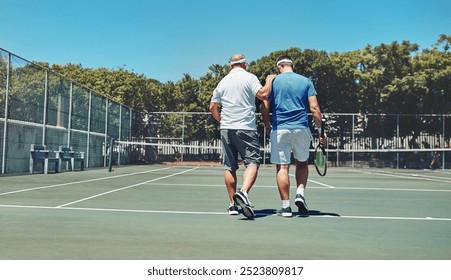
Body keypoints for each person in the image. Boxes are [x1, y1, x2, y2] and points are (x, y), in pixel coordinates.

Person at [209, 53, 275, 219]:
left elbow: (212, 107)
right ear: (244, 64)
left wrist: (221, 121)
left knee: (230, 167)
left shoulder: (222, 81)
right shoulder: (250, 77)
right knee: (253, 163)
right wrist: (270, 80)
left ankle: (232, 205)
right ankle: (244, 192)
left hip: (226, 129)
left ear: (230, 65)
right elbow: (263, 94)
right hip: (246, 128)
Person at [262, 55, 326, 218]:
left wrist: (267, 125)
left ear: (279, 66)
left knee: (283, 167)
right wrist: (321, 132)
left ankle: (286, 207)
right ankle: (300, 193)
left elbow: (264, 106)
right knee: (302, 164)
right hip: (301, 128)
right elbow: (315, 108)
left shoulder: (273, 82)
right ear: (292, 65)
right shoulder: (306, 81)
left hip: (280, 129)